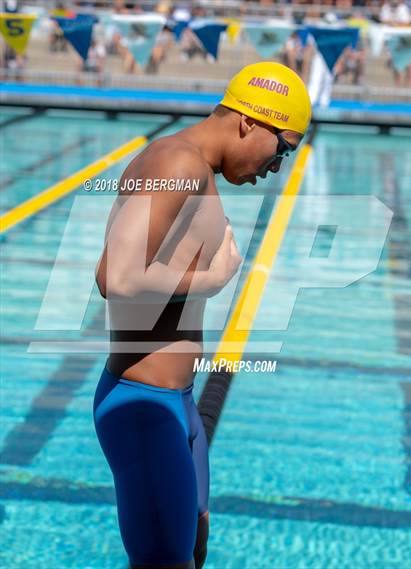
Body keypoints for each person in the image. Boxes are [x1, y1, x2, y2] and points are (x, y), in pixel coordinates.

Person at [93, 62, 311, 569]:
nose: (277, 165)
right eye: (283, 147)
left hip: (178, 404)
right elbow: (115, 279)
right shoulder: (177, 163)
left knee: (192, 550)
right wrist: (210, 282)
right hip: (145, 407)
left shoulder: (193, 168)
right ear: (249, 121)